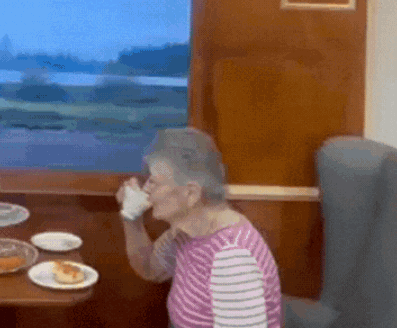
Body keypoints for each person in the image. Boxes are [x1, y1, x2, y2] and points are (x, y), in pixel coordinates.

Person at [117, 127, 282, 328]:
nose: (146, 190)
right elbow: (149, 268)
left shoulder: (232, 258)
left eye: (154, 183)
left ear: (191, 194)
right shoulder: (187, 234)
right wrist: (131, 217)